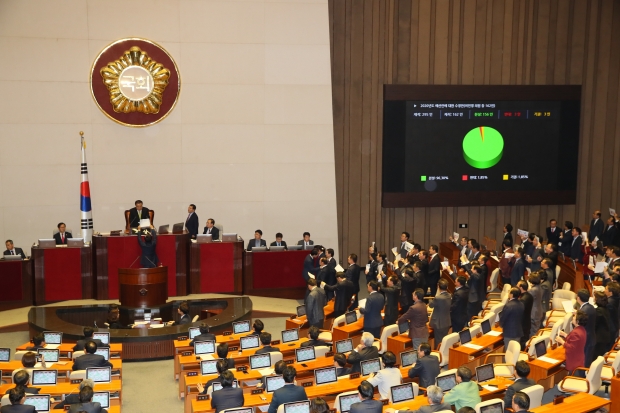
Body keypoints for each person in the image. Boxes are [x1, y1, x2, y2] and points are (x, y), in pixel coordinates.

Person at [576, 288, 597, 367]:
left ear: (578, 298)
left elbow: (579, 325)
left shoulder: (583, 311)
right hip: (591, 337)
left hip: (586, 340)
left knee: (584, 363)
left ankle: (582, 378)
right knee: (587, 361)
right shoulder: (591, 307)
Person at [429, 279, 451, 346]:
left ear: (438, 287)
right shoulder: (450, 295)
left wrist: (430, 300)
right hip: (447, 321)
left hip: (439, 323)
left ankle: (438, 354)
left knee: (438, 341)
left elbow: (431, 305)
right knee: (444, 340)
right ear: (447, 287)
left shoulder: (438, 298)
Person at [593, 291, 612, 358]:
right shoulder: (605, 309)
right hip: (605, 336)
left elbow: (595, 324)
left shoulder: (598, 311)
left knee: (595, 358)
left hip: (599, 338)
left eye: (595, 297)